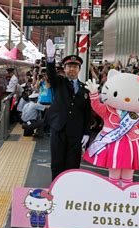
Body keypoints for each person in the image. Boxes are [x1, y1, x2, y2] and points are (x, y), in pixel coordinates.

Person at [45, 39, 92, 180]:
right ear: (64, 69)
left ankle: (69, 191)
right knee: (57, 163)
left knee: (73, 164)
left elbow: (87, 112)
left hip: (76, 132)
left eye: (75, 66)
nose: (72, 69)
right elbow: (51, 75)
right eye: (69, 66)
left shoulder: (86, 88)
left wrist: (86, 133)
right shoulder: (59, 82)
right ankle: (55, 190)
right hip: (58, 129)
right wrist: (50, 59)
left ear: (79, 69)